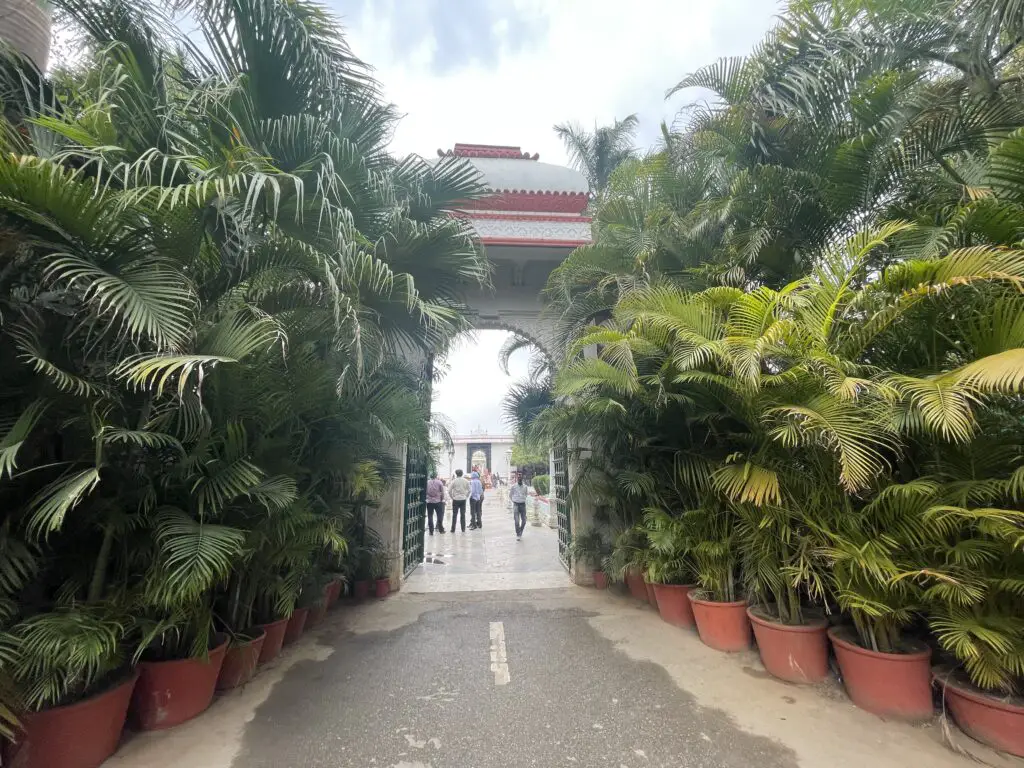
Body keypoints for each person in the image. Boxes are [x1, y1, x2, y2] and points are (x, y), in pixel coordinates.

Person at [509, 472, 528, 540]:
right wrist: (514, 501)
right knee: (517, 521)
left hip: (523, 505)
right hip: (516, 504)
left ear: (522, 478)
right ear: (517, 478)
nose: (519, 478)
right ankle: (518, 534)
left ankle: (520, 531)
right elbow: (510, 495)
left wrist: (522, 499)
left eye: (521, 477)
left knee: (524, 521)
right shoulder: (513, 487)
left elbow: (526, 494)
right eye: (518, 477)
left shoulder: (525, 487)